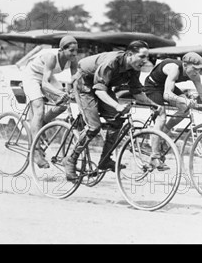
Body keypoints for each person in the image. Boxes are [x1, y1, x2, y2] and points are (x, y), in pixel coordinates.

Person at [62, 40, 164, 181]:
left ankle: (105, 160)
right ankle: (71, 159)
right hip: (84, 85)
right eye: (142, 56)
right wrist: (117, 106)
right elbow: (98, 91)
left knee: (117, 120)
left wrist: (153, 104)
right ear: (129, 54)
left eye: (146, 57)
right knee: (94, 127)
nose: (144, 61)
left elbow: (136, 92)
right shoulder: (112, 63)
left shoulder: (134, 68)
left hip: (103, 87)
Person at [144, 52, 202, 170]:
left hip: (166, 85)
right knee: (161, 115)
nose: (196, 72)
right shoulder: (174, 68)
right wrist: (185, 100)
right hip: (153, 86)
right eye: (195, 69)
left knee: (185, 109)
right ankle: (155, 155)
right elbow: (167, 94)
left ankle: (164, 133)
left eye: (199, 70)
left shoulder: (194, 74)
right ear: (185, 65)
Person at [21, 35, 78, 168]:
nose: (74, 54)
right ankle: (34, 151)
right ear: (62, 49)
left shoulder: (73, 60)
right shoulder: (51, 57)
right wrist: (60, 93)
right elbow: (45, 84)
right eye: (71, 51)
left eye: (76, 50)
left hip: (46, 75)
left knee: (64, 104)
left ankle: (41, 125)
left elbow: (75, 80)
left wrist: (75, 93)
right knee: (39, 108)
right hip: (32, 75)